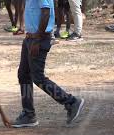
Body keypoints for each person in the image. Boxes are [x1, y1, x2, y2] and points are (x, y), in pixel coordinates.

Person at [12, 0, 85, 128]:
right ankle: (28, 114)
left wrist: (38, 40)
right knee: (23, 74)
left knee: (38, 77)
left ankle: (71, 102)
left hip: (38, 38)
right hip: (30, 38)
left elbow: (46, 12)